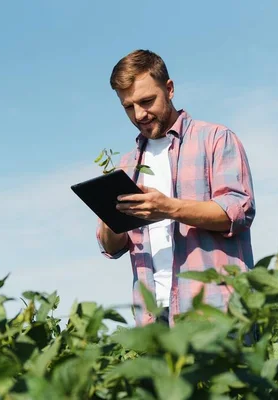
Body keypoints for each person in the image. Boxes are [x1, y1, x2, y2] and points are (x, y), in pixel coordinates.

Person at [96, 49, 256, 327]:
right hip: (152, 317)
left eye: (147, 101)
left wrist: (168, 208)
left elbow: (238, 212)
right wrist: (111, 219)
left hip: (215, 309)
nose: (139, 114)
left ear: (169, 89)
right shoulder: (127, 164)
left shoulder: (216, 139)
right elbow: (112, 247)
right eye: (128, 107)